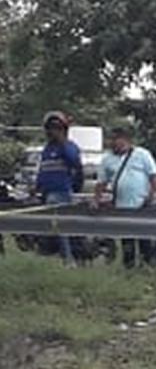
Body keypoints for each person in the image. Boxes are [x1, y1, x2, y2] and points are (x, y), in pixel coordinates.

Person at [95, 125, 156, 268]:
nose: (112, 143)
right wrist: (96, 199)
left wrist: (151, 195)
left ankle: (146, 266)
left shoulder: (142, 154)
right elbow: (101, 182)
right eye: (110, 139)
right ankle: (129, 267)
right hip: (122, 205)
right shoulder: (107, 159)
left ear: (125, 140)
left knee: (144, 239)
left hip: (141, 204)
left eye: (115, 139)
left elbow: (154, 176)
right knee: (127, 241)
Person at [35, 111, 83, 263]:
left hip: (60, 192)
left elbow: (75, 163)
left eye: (56, 128)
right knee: (43, 225)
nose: (52, 131)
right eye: (49, 128)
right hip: (46, 192)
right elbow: (43, 170)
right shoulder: (47, 149)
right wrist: (37, 187)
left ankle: (69, 259)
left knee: (61, 228)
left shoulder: (69, 147)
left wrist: (62, 142)